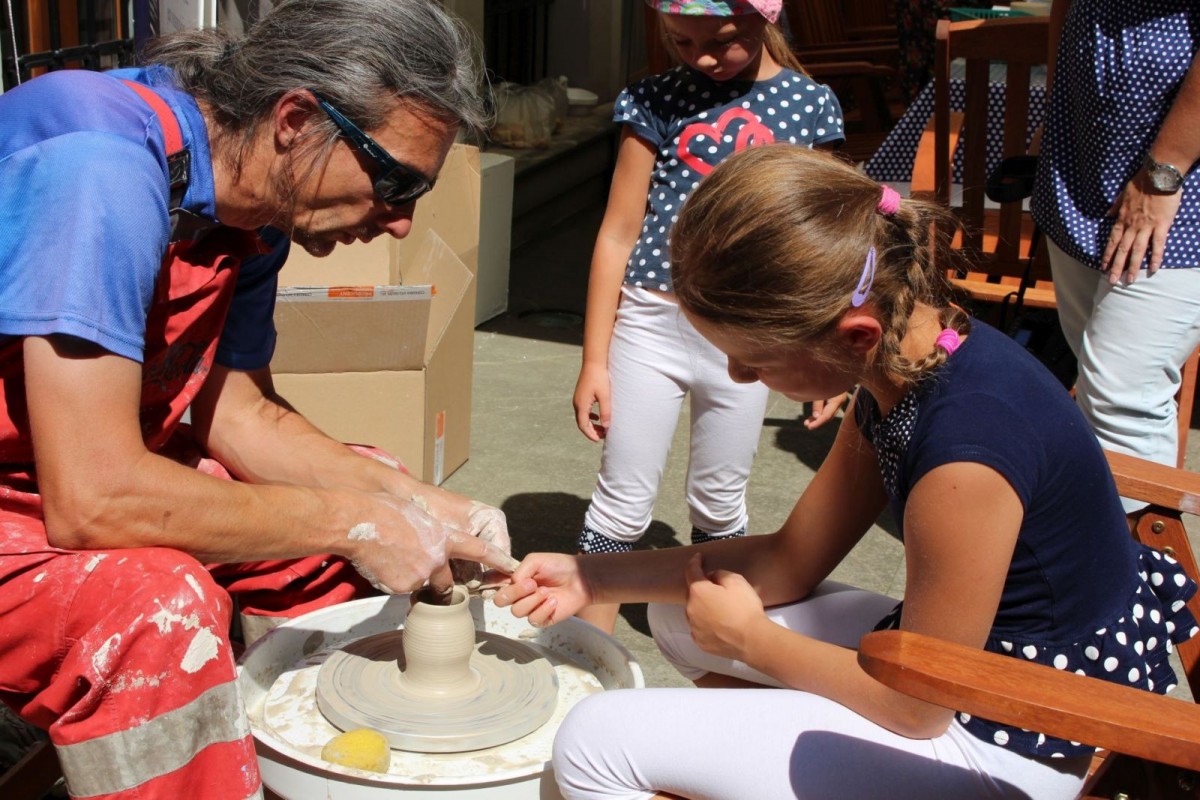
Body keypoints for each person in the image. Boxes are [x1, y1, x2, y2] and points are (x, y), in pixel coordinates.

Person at [496, 144, 1199, 800]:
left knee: (592, 742)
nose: (738, 377)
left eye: (755, 361)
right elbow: (790, 559)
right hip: (964, 662)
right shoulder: (912, 357)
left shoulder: (966, 454)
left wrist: (753, 641)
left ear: (852, 335)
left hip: (1020, 732)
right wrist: (593, 576)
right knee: (680, 611)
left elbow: (917, 706)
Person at [0, 1, 515, 797]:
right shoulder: (98, 166)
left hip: (64, 468)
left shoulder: (255, 211)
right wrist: (355, 522)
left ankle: (300, 758)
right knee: (158, 609)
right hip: (62, 484)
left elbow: (238, 415)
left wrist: (415, 503)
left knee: (365, 504)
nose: (402, 223)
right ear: (296, 120)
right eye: (395, 182)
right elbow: (95, 498)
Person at [571, 0, 845, 632]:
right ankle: (585, 657)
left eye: (722, 40)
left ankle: (716, 645)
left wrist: (826, 354)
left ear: (764, 19)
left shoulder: (809, 105)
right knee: (620, 502)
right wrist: (594, 359)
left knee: (720, 502)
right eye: (682, 41)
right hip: (650, 322)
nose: (702, 58)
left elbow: (828, 241)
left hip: (749, 338)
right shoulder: (655, 99)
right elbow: (618, 231)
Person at [1031, 0, 1200, 504]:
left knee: (1122, 397)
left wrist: (1165, 170)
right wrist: (1059, 105)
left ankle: (1133, 549)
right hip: (1085, 159)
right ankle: (1092, 531)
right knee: (1094, 376)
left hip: (1175, 184)